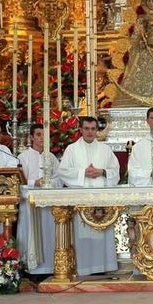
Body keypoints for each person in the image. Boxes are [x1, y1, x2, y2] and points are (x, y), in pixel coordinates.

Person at [57, 117, 120, 276]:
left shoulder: (105, 149)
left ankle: (102, 267)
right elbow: (63, 172)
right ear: (80, 130)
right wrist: (83, 173)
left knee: (101, 233)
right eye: (87, 128)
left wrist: (102, 172)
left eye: (93, 129)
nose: (90, 132)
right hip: (81, 198)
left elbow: (115, 170)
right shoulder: (72, 149)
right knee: (83, 234)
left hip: (101, 198)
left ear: (97, 130)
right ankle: (84, 267)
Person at [17, 124, 62, 275]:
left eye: (44, 135)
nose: (42, 138)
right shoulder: (23, 157)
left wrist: (49, 183)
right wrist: (34, 183)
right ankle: (30, 268)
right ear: (31, 137)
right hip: (29, 203)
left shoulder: (51, 157)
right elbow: (17, 181)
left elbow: (59, 178)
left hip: (49, 204)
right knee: (30, 233)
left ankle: (50, 267)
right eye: (38, 134)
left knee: (48, 233)